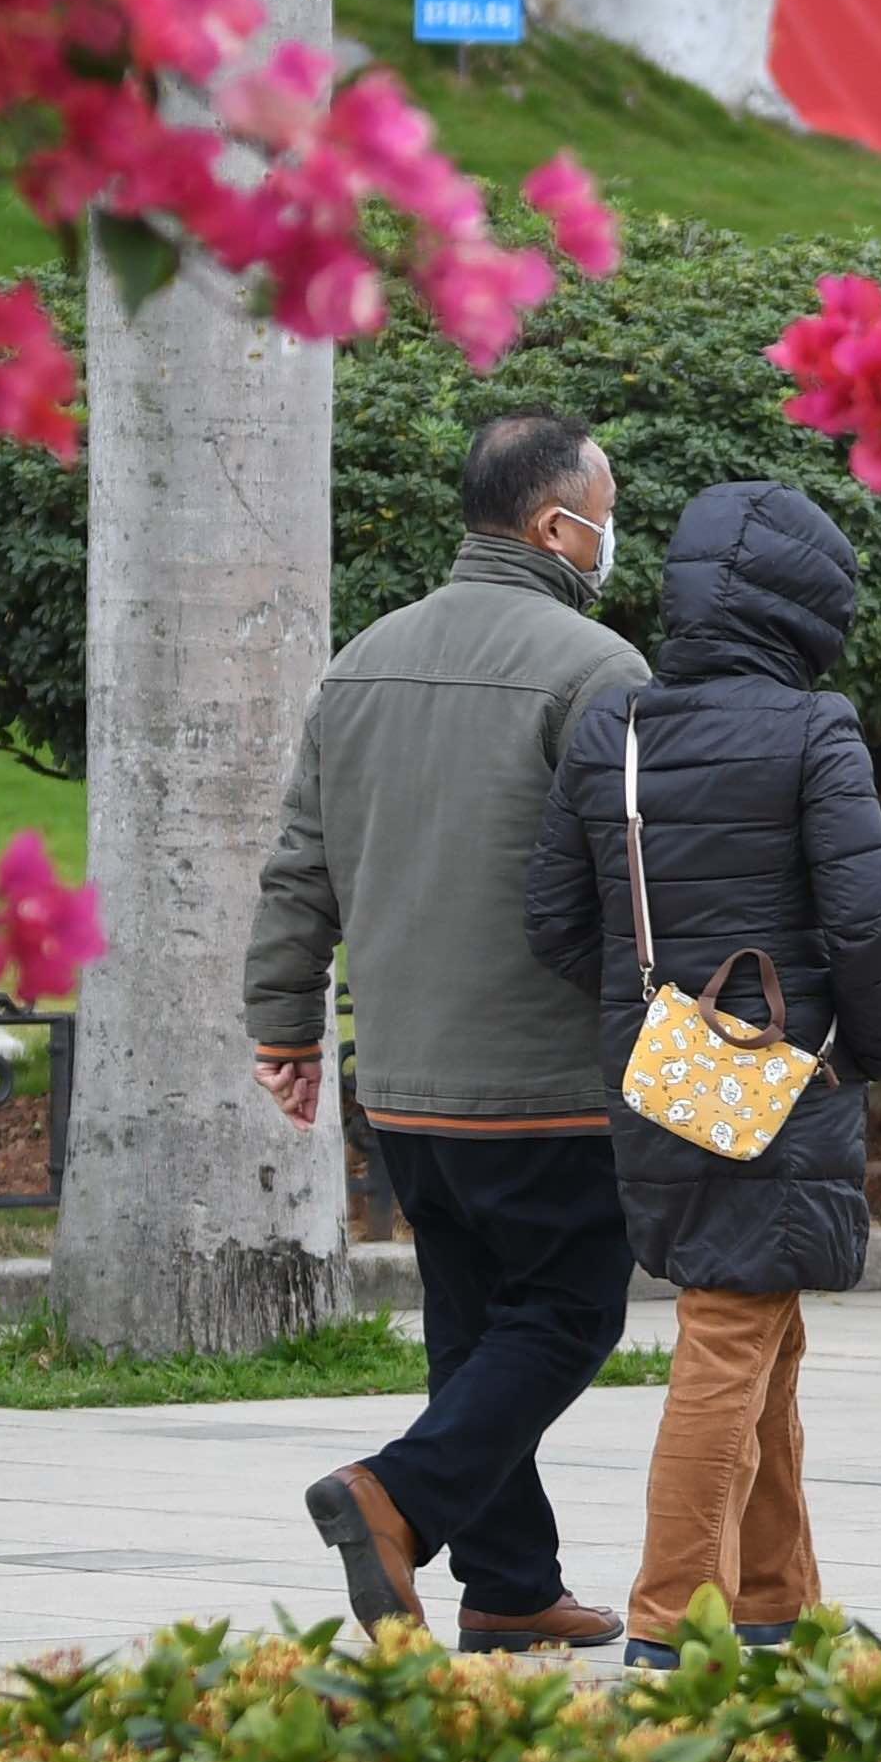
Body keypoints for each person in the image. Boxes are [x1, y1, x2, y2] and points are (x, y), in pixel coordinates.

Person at [251, 409, 645, 1656]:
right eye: (606, 514)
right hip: (544, 1072)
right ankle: (395, 1494)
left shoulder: (363, 660)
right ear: (555, 526)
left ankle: (511, 1584)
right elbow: (635, 879)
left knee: (474, 1324)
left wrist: (284, 1021)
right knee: (568, 1310)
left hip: (405, 1078)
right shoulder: (598, 668)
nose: (612, 537)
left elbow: (300, 862)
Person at [525, 478, 881, 1666]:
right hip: (785, 1076)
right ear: (806, 606)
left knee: (758, 1320)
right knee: (731, 1330)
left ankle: (774, 1594)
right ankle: (673, 1614)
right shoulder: (816, 728)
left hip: (661, 1075)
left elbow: (554, 920)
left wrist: (660, 1014)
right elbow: (866, 918)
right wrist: (867, 1048)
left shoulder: (616, 728)